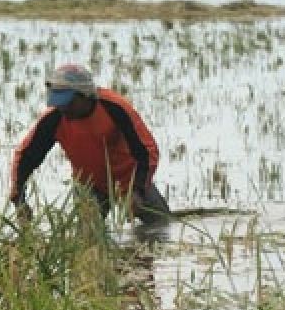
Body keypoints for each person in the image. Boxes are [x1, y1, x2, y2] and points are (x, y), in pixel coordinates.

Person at [9, 63, 170, 224]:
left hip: (129, 181)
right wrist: (19, 201)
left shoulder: (115, 108)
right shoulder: (54, 119)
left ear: (85, 95)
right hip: (89, 186)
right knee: (88, 241)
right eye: (58, 103)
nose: (63, 109)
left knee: (162, 227)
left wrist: (137, 190)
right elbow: (25, 157)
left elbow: (147, 151)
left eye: (68, 103)